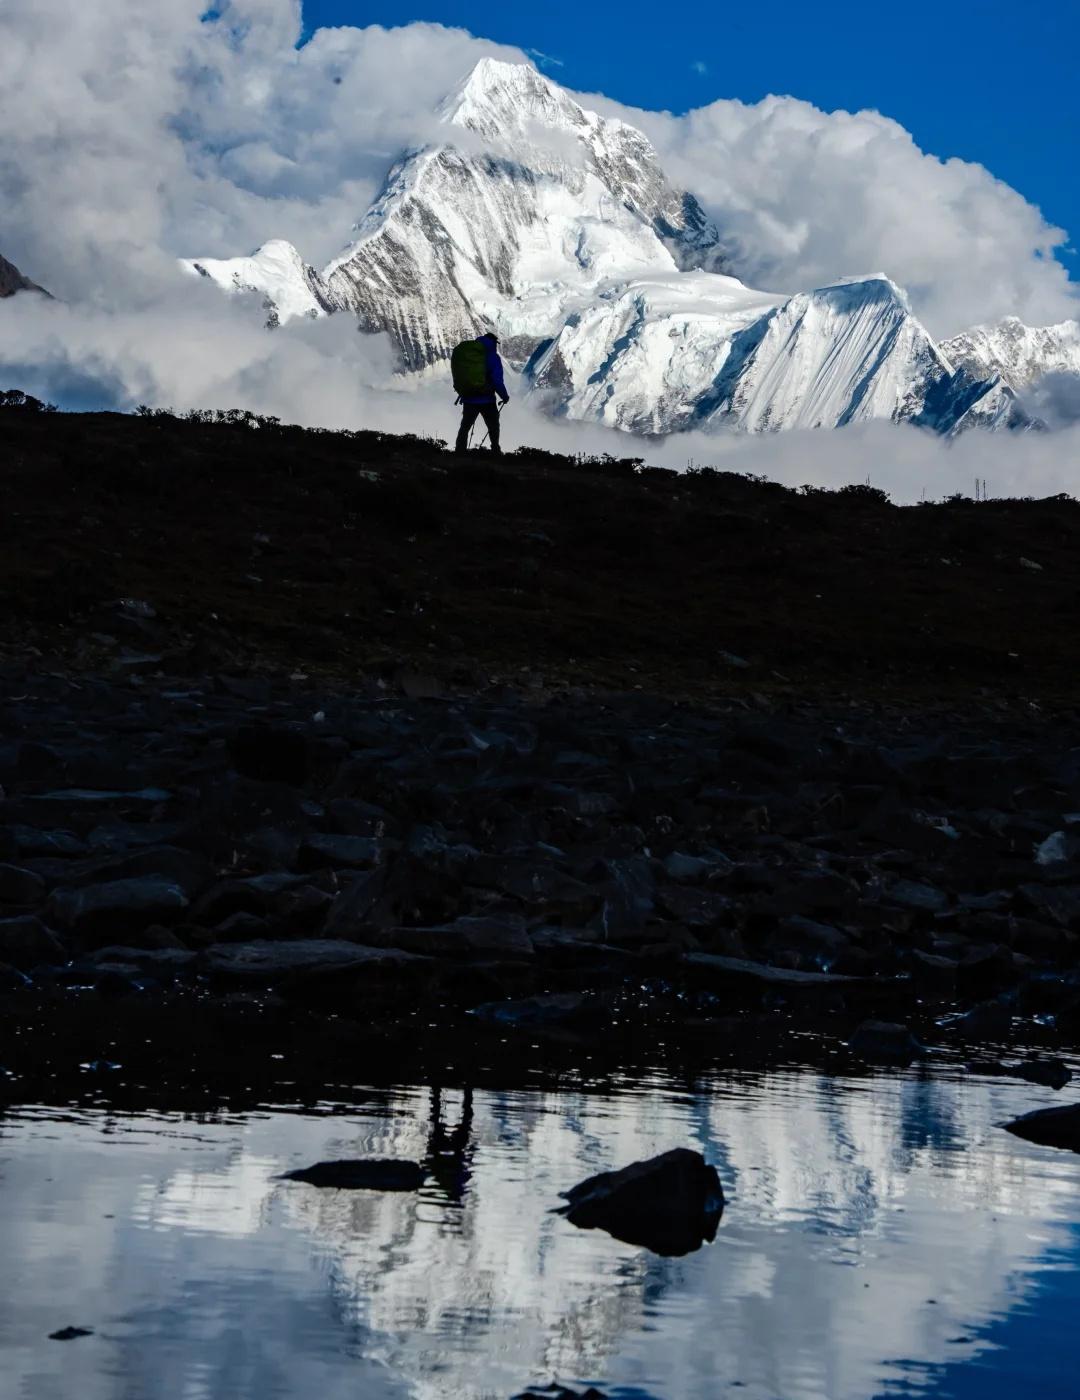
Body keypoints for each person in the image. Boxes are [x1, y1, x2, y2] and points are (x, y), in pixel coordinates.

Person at [454, 331, 509, 456]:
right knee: (493, 426)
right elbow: (497, 381)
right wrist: (504, 396)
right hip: (487, 399)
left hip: (469, 397)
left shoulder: (471, 354)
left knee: (465, 426)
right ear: (494, 342)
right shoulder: (493, 357)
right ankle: (495, 450)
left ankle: (459, 451)